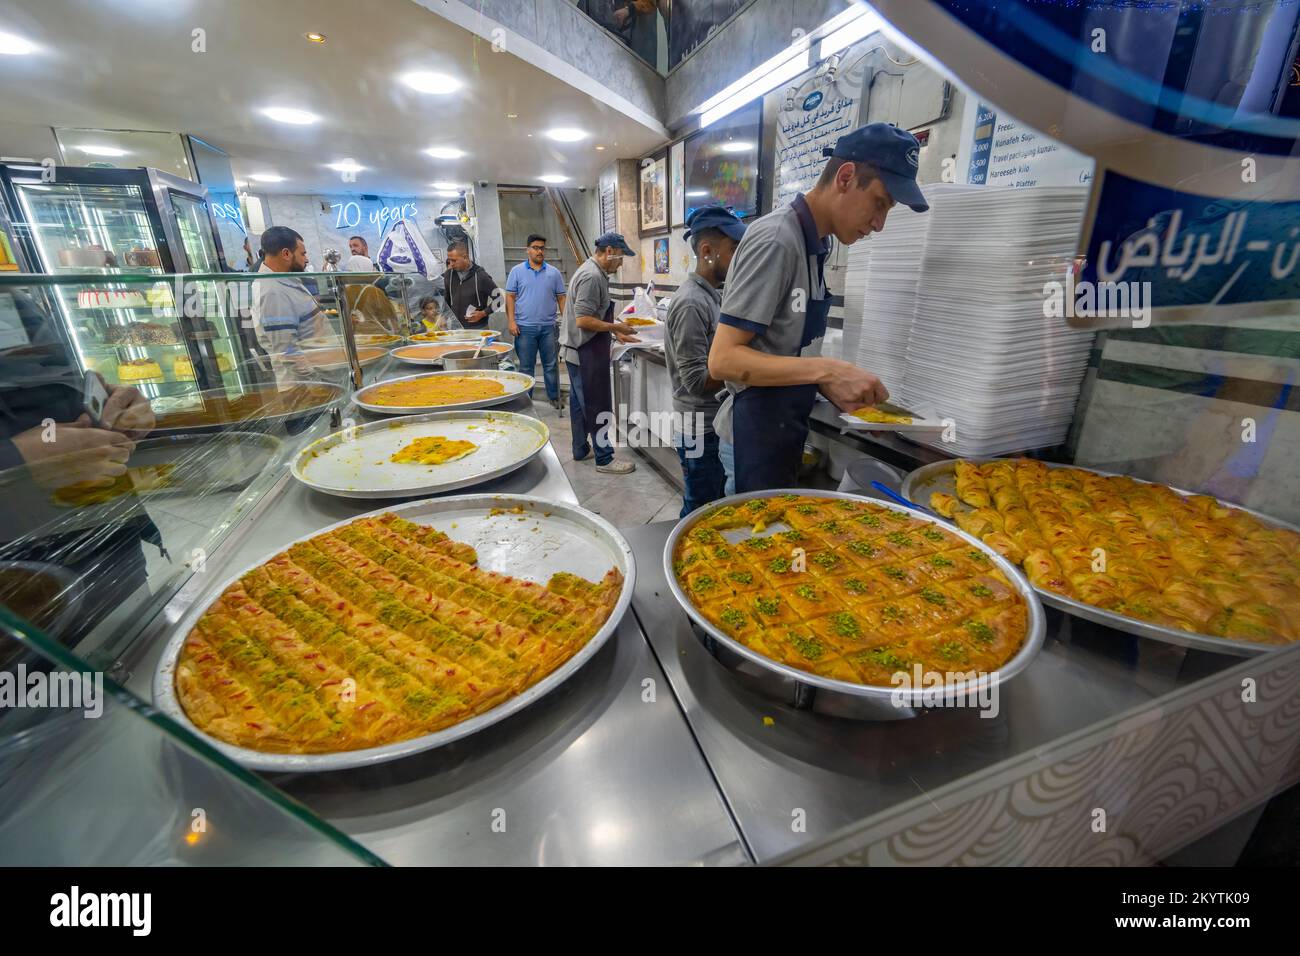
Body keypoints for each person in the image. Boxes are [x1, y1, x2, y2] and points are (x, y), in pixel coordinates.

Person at [709, 123, 929, 493]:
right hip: (752, 434)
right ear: (845, 177)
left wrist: (836, 387)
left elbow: (783, 346)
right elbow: (723, 360)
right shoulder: (777, 239)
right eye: (879, 202)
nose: (879, 224)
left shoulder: (816, 246)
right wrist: (828, 370)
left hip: (782, 431)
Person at [665, 204, 746, 515]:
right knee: (700, 508)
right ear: (708, 250)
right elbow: (697, 382)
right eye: (735, 249)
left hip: (710, 425)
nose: (741, 257)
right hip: (699, 428)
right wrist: (743, 369)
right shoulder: (691, 303)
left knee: (709, 504)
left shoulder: (712, 295)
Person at [559, 232, 641, 474]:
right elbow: (584, 320)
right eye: (621, 256)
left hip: (579, 350)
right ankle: (604, 459)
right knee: (596, 405)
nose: (621, 262)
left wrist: (618, 334)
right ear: (609, 252)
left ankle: (580, 448)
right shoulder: (592, 277)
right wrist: (616, 327)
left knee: (578, 404)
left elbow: (595, 314)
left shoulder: (593, 272)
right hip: (584, 352)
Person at [250, 226, 323, 387]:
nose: (307, 259)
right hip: (303, 387)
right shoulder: (272, 291)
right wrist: (317, 383)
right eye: (302, 254)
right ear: (286, 254)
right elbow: (287, 350)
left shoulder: (284, 280)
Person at [505, 234, 566, 410]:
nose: (539, 251)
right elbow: (510, 297)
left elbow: (561, 298)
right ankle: (526, 400)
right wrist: (511, 321)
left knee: (551, 365)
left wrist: (567, 322)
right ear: (528, 250)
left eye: (542, 248)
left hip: (549, 327)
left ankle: (554, 397)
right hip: (524, 328)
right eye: (536, 247)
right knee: (526, 367)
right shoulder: (517, 271)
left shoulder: (553, 273)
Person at [442, 241, 498, 331]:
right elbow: (447, 300)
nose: (451, 264)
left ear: (465, 257)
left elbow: (500, 299)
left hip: (478, 329)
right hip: (456, 329)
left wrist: (483, 313)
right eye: (449, 260)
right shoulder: (449, 275)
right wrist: (443, 317)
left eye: (454, 260)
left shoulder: (481, 276)